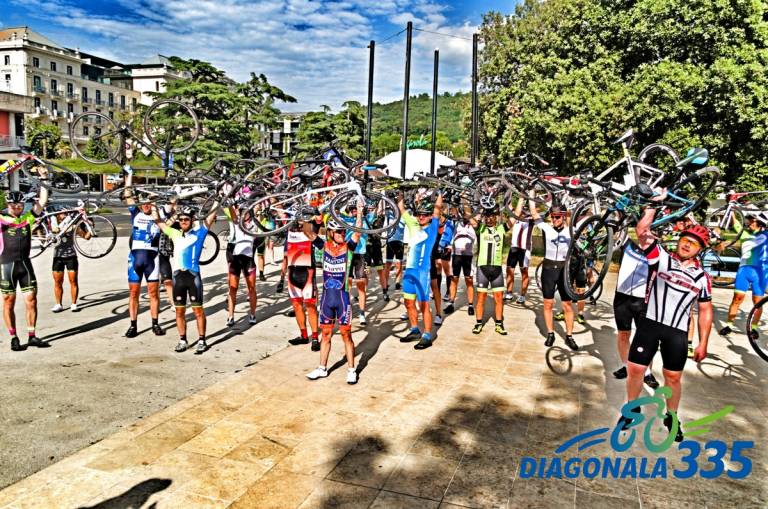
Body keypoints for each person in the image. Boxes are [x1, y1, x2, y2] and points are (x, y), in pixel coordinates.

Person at [620, 199, 713, 442]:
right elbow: (642, 231)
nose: (687, 244)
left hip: (677, 332)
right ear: (679, 240)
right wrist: (652, 205)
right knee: (635, 368)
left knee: (673, 377)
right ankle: (631, 409)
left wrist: (703, 342)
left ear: (700, 249)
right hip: (650, 324)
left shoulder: (702, 277)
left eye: (693, 243)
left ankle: (672, 416)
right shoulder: (661, 258)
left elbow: (705, 310)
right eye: (685, 239)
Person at [304, 213, 363, 384]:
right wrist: (307, 215)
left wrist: (360, 212)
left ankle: (351, 370)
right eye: (339, 232)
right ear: (331, 233)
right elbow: (307, 231)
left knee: (346, 335)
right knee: (326, 334)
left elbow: (357, 232)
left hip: (342, 299)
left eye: (343, 232)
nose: (342, 234)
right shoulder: (324, 246)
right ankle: (322, 368)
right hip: (327, 300)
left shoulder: (348, 247)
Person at [152, 204, 218, 354]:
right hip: (178, 278)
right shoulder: (175, 233)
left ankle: (202, 340)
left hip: (193, 277)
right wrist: (154, 205)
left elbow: (210, 216)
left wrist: (217, 200)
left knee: (198, 311)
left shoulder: (199, 233)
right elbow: (158, 221)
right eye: (181, 219)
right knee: (179, 312)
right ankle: (183, 340)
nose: (183, 221)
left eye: (186, 219)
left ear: (192, 220)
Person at [1, 184, 49, 352]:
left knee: (31, 300)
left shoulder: (27, 218)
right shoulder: (1, 219)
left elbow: (42, 201)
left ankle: (32, 335)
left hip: (25, 265)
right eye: (13, 205)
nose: (16, 207)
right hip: (6, 265)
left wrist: (44, 180)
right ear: (8, 205)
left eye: (20, 205)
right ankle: (13, 337)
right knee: (9, 302)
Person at [610, 239, 659, 389]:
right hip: (622, 296)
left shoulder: (656, 248)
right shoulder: (626, 241)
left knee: (646, 338)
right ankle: (626, 366)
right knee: (623, 334)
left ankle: (647, 372)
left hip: (644, 298)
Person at [530, 200, 578, 350]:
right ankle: (550, 333)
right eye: (552, 216)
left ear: (563, 216)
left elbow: (572, 218)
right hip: (548, 269)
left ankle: (569, 336)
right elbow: (534, 213)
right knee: (548, 303)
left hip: (564, 270)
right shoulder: (547, 228)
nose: (554, 219)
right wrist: (531, 195)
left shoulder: (571, 230)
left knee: (567, 305)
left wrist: (569, 208)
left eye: (557, 217)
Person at [124, 168, 165, 338]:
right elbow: (127, 194)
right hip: (135, 259)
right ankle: (133, 325)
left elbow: (173, 206)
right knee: (133, 293)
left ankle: (155, 323)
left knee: (153, 293)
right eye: (144, 202)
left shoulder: (159, 218)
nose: (146, 205)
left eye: (149, 202)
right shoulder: (135, 213)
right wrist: (129, 176)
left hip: (152, 260)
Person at [399, 192, 443, 350]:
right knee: (408, 302)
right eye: (419, 214)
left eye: (425, 214)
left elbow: (437, 209)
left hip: (422, 272)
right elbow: (401, 208)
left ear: (430, 216)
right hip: (409, 271)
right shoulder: (413, 226)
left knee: (423, 304)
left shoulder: (432, 229)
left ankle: (427, 335)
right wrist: (400, 193)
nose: (421, 217)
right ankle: (414, 330)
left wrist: (440, 193)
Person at [719, 212, 767, 337]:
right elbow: (735, 221)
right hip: (744, 271)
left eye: (750, 220)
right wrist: (731, 209)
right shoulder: (743, 233)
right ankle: (729, 325)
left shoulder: (766, 235)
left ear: (758, 222)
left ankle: (754, 328)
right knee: (737, 299)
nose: (748, 222)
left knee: (758, 302)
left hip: (760, 273)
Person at [468, 204, 510, 335]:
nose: (489, 219)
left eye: (491, 216)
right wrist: (464, 199)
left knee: (499, 298)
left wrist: (521, 197)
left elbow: (515, 217)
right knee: (481, 298)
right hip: (482, 269)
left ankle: (499, 324)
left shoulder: (501, 229)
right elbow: (469, 216)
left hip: (497, 269)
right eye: (486, 216)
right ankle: (478, 323)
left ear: (496, 217)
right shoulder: (480, 229)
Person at [282, 219, 320, 351]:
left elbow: (318, 219)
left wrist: (306, 221)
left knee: (311, 307)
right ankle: (304, 335)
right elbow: (285, 255)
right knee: (297, 306)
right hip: (293, 273)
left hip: (307, 273)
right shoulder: (289, 230)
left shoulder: (309, 228)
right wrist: (282, 274)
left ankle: (315, 338)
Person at [50, 208, 91, 313]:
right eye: (61, 213)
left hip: (71, 256)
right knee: (58, 282)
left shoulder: (73, 226)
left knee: (73, 281)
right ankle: (58, 304)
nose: (64, 214)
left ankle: (74, 304)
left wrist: (90, 227)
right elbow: (46, 236)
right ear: (57, 215)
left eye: (65, 213)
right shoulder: (53, 226)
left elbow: (86, 237)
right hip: (58, 257)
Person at [223, 205, 258, 326]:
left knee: (251, 289)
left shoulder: (254, 225)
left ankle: (252, 314)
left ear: (250, 214)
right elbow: (233, 214)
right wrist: (230, 203)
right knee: (232, 288)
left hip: (248, 260)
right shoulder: (237, 223)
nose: (244, 214)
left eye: (246, 212)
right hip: (236, 259)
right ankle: (230, 316)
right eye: (242, 212)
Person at [443, 207, 476, 315]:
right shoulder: (456, 223)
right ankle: (451, 303)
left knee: (469, 280)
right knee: (454, 279)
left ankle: (470, 305)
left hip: (468, 256)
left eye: (467, 214)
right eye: (464, 214)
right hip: (456, 255)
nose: (465, 215)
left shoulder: (474, 224)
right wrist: (454, 204)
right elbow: (454, 210)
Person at [504, 199, 532, 304]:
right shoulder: (515, 215)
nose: (523, 209)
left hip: (525, 248)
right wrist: (508, 193)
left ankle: (522, 295)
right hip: (514, 247)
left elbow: (539, 211)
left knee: (524, 272)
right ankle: (509, 293)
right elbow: (508, 204)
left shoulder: (531, 218)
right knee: (509, 270)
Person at [383, 215, 405, 295]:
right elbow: (385, 227)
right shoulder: (389, 214)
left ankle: (397, 283)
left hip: (400, 241)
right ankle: (385, 283)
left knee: (399, 264)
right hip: (390, 241)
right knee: (388, 264)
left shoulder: (404, 214)